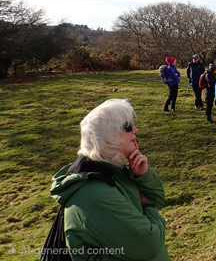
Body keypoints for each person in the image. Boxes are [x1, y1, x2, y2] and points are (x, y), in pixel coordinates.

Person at [49, 99, 170, 260]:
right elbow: (150, 243)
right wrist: (146, 205)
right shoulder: (96, 193)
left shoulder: (112, 170)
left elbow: (157, 199)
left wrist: (143, 175)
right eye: (127, 127)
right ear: (107, 138)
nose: (136, 130)